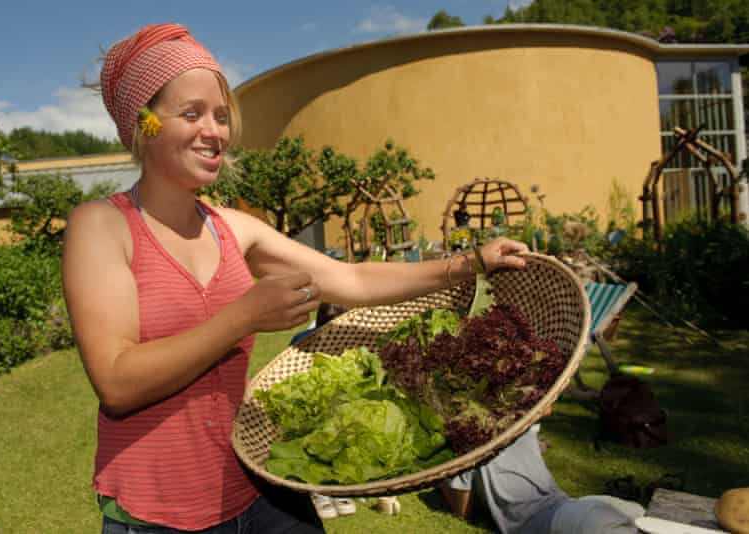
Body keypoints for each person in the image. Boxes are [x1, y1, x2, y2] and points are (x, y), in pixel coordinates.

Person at [61, 22, 529, 533]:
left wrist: (468, 263)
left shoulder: (232, 229)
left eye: (221, 115)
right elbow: (117, 381)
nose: (214, 131)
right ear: (144, 124)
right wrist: (242, 316)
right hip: (158, 511)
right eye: (191, 113)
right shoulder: (102, 226)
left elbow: (349, 280)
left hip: (257, 487)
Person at [437, 418, 646, 533]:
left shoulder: (464, 452)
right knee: (644, 517)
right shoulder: (521, 420)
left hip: (562, 516)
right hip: (571, 510)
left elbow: (462, 511)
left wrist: (443, 481)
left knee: (642, 518)